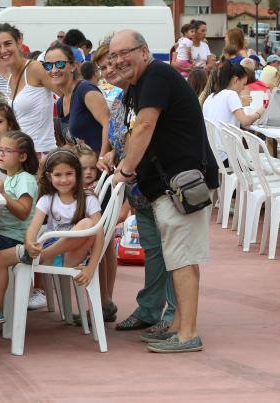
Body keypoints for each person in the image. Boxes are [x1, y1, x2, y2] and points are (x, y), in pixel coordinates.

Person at [110, 29, 218, 353]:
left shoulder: (156, 75)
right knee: (177, 257)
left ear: (144, 51)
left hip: (182, 186)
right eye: (114, 55)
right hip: (170, 187)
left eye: (124, 53)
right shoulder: (140, 84)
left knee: (183, 258)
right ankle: (176, 325)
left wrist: (125, 171)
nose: (118, 61)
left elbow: (144, 126)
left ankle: (187, 334)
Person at [94, 40, 176, 336]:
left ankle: (175, 314)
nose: (110, 70)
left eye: (113, 62)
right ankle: (149, 309)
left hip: (159, 184)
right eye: (103, 66)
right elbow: (123, 138)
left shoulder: (145, 91)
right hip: (138, 188)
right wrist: (111, 155)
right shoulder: (120, 100)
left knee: (172, 251)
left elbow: (145, 131)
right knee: (153, 250)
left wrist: (124, 166)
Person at [0, 149, 104, 326]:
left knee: (87, 225)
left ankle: (42, 254)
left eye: (69, 174)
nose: (64, 179)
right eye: (58, 175)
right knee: (0, 257)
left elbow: (99, 233)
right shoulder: (48, 199)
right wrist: (29, 242)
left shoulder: (88, 199)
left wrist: (91, 267)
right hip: (46, 252)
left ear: (77, 174)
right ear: (49, 176)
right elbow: (33, 228)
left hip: (71, 257)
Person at [0, 131, 39, 296]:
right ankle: (3, 302)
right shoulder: (11, 178)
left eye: (7, 151)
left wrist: (3, 192)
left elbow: (23, 212)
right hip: (1, 236)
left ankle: (2, 302)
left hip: (11, 239)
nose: (1, 154)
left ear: (22, 157)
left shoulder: (25, 179)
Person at [0, 23, 58, 156]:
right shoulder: (9, 79)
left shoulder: (35, 68)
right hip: (21, 155)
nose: (3, 50)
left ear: (19, 42)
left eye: (7, 44)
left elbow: (66, 94)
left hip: (41, 154)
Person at [46, 43, 110, 153]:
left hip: (100, 166)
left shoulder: (85, 90)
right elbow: (72, 142)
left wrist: (102, 158)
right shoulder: (61, 102)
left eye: (60, 64)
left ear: (73, 66)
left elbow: (108, 123)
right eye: (48, 65)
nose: (54, 70)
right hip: (83, 167)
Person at [202, 62, 264, 161]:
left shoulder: (210, 97)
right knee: (261, 162)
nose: (244, 88)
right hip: (228, 155)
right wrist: (259, 112)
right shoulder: (231, 94)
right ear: (236, 80)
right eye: (243, 84)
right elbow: (245, 121)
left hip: (212, 155)